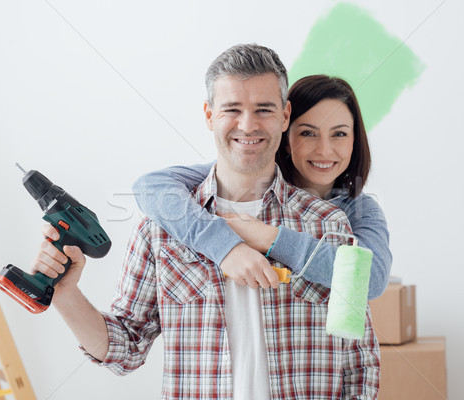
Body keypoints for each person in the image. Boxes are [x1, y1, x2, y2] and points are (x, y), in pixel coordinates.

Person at [31, 44, 380, 399]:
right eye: (232, 109)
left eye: (264, 109)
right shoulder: (162, 229)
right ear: (209, 115)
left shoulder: (329, 225)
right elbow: (127, 347)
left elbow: (359, 360)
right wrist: (66, 294)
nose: (248, 125)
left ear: (285, 115)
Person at [133, 75, 392, 299]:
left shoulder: (358, 210)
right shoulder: (252, 180)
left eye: (339, 134)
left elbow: (371, 281)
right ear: (285, 136)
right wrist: (222, 244)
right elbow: (150, 186)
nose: (324, 150)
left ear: (355, 140)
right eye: (307, 133)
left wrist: (267, 237)